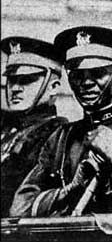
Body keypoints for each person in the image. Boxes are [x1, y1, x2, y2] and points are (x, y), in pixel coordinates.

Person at [10, 26, 112, 217]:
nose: (86, 83)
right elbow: (19, 208)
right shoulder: (60, 138)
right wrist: (69, 190)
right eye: (77, 75)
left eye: (98, 73)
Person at [1, 37, 67, 217]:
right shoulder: (8, 130)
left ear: (53, 87)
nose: (15, 88)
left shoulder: (56, 133)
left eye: (26, 80)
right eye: (12, 80)